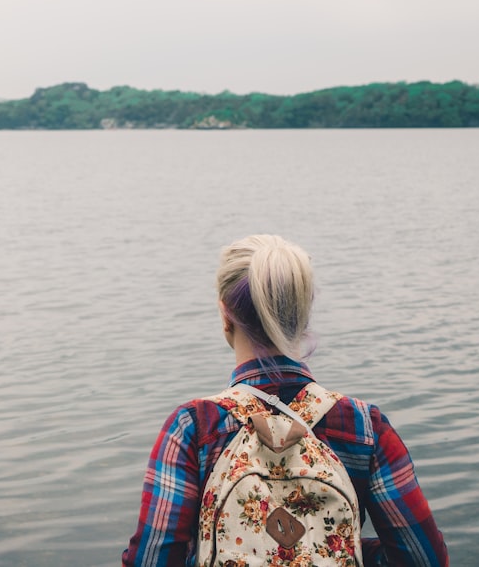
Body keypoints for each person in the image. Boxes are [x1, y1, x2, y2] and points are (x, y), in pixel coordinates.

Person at [122, 235, 448, 567]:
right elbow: (425, 560)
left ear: (225, 314)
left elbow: (151, 561)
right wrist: (336, 546)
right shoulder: (365, 427)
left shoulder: (193, 428)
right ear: (304, 314)